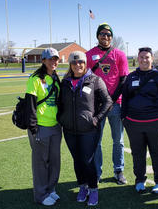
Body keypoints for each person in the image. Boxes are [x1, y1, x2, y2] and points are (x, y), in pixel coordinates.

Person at [58, 51, 112, 206]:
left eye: (81, 62)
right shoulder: (65, 82)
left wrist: (96, 119)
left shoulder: (95, 80)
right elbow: (60, 104)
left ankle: (93, 189)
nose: (78, 65)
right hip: (69, 130)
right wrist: (61, 119)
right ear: (70, 65)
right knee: (77, 161)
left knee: (88, 161)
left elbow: (108, 101)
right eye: (74, 63)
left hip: (89, 130)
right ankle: (83, 187)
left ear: (85, 63)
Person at [121, 47, 158, 194]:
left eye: (147, 57)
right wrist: (124, 118)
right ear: (138, 58)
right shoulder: (131, 77)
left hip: (154, 122)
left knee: (157, 153)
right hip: (133, 123)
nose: (144, 60)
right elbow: (125, 99)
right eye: (141, 57)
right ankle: (140, 180)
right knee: (137, 153)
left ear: (152, 59)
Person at [86, 23, 129, 184]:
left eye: (109, 34)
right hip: (96, 106)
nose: (106, 37)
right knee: (96, 141)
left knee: (118, 140)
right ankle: (97, 172)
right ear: (97, 36)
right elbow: (87, 80)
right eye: (102, 34)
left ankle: (119, 171)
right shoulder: (89, 55)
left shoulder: (120, 54)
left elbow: (124, 80)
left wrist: (110, 101)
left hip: (116, 104)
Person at [25, 48, 62, 206]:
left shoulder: (55, 77)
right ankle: (40, 195)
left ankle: (51, 189)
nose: (54, 62)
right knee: (40, 163)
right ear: (43, 60)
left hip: (55, 127)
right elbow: (30, 105)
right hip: (40, 127)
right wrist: (33, 128)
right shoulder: (35, 78)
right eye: (50, 59)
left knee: (55, 161)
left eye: (56, 59)